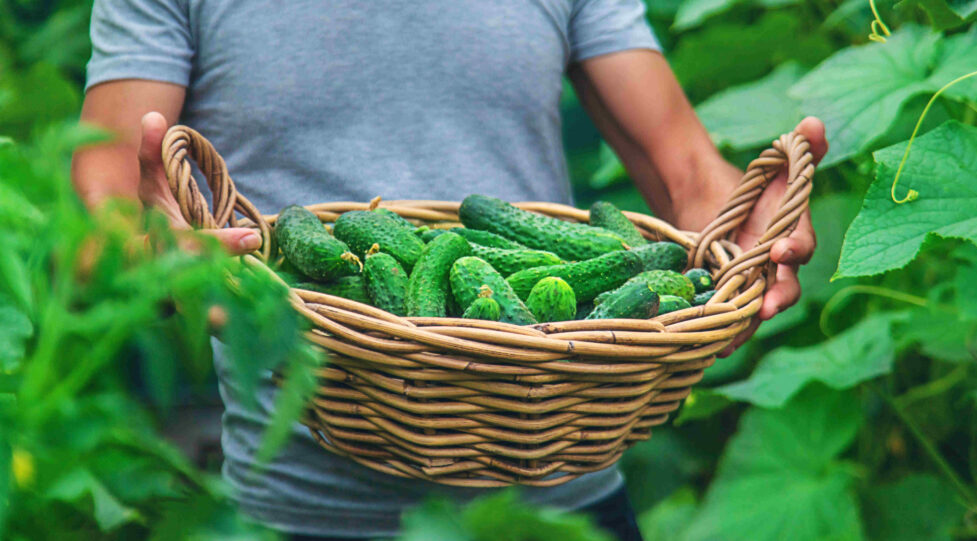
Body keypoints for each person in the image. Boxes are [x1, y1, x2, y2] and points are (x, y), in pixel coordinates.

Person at [72, 1, 827, 539]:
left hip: (562, 509)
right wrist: (154, 252)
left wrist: (751, 222)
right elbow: (100, 212)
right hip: (295, 510)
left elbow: (687, 168)